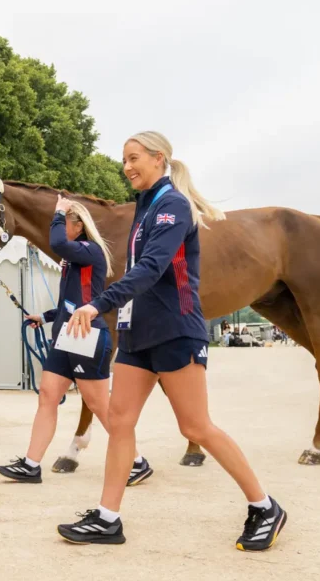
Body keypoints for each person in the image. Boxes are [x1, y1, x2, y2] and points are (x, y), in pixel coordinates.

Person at [57, 131, 286, 550]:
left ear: (159, 158)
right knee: (120, 422)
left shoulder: (173, 205)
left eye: (134, 158)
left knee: (195, 426)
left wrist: (98, 303)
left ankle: (265, 506)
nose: (127, 167)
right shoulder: (145, 207)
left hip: (175, 329)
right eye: (124, 159)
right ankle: (108, 518)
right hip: (137, 332)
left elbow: (151, 267)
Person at [0, 196, 154, 486]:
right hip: (68, 335)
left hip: (86, 335)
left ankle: (137, 461)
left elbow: (56, 243)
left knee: (98, 404)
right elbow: (70, 301)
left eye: (63, 222)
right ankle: (31, 465)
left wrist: (58, 211)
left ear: (79, 226)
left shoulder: (90, 250)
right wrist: (45, 317)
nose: (56, 226)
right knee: (48, 395)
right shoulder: (74, 258)